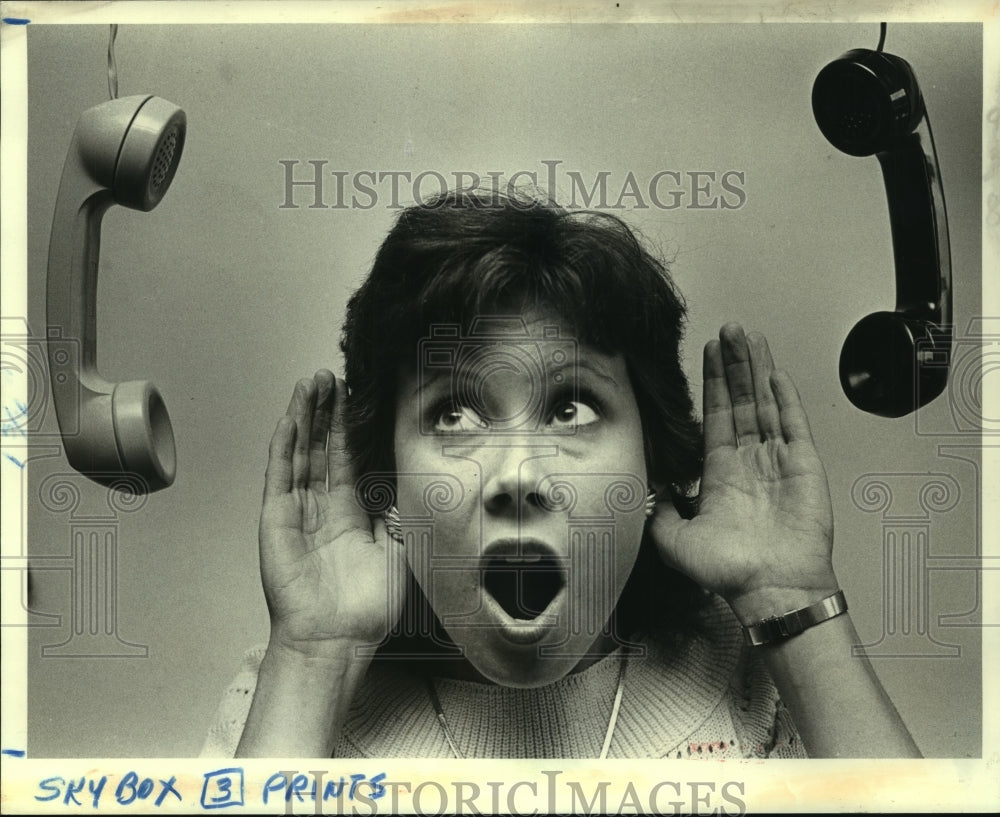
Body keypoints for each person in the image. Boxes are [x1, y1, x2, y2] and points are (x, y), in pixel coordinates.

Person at [201, 187, 920, 759]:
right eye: (453, 413)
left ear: (652, 468)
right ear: (387, 484)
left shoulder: (755, 687)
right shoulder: (287, 695)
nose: (518, 473)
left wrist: (791, 600)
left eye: (571, 407)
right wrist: (313, 658)